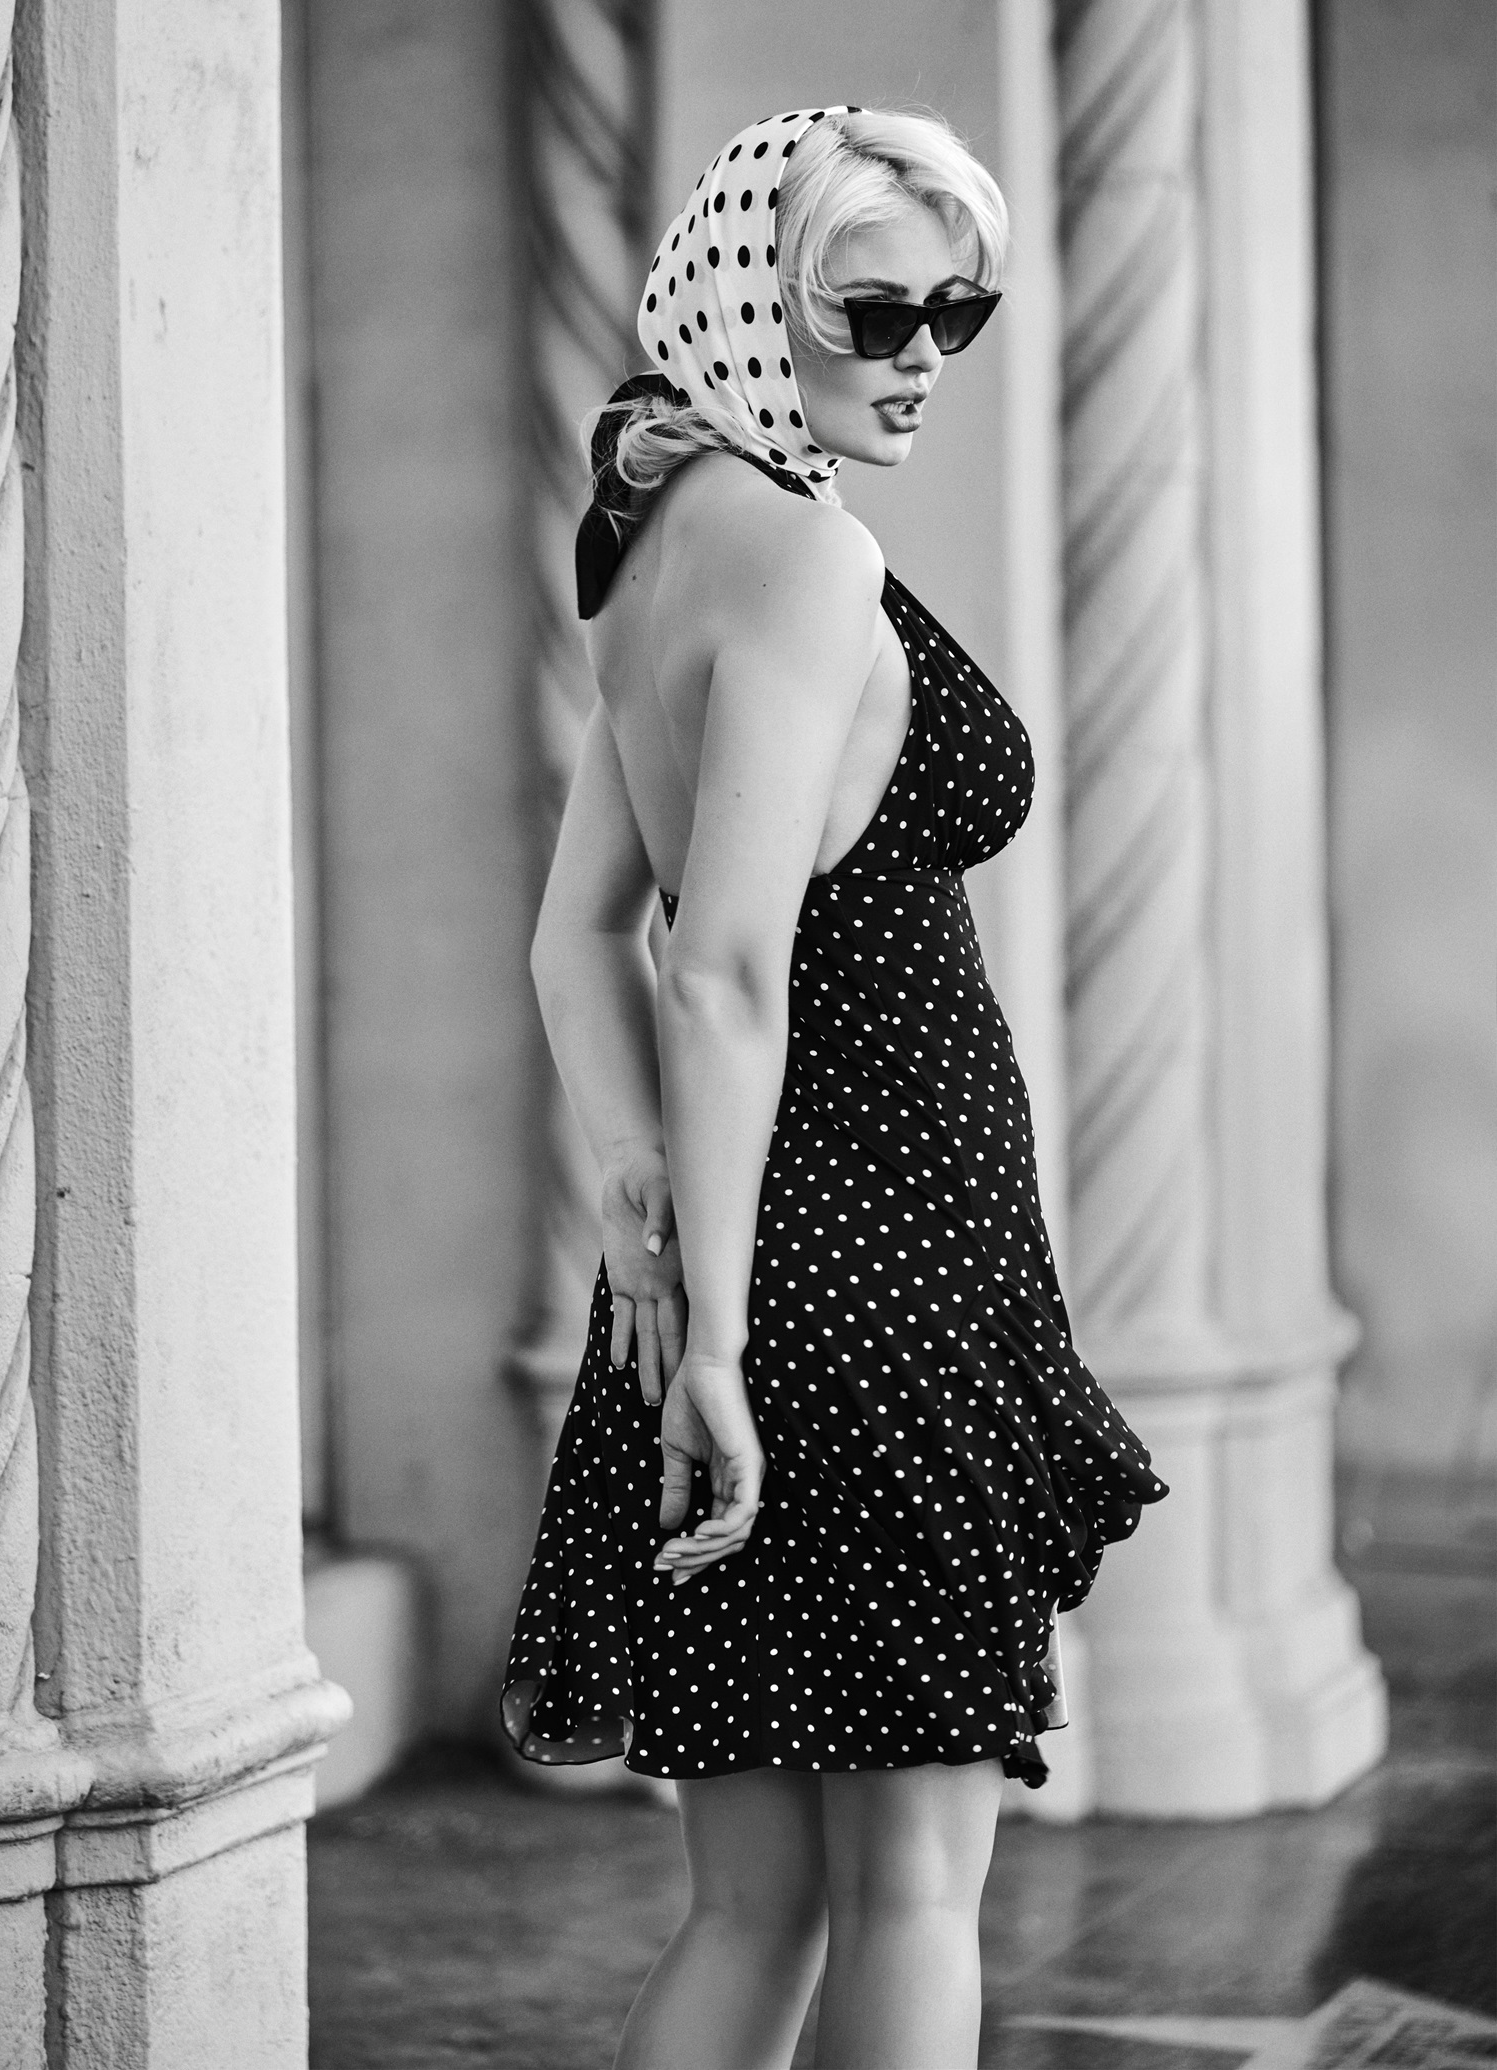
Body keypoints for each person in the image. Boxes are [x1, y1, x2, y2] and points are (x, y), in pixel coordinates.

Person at [503, 105, 1167, 2070]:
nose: (921, 357)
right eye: (873, 313)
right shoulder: (803, 554)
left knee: (756, 1904)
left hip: (767, 1272)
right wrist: (704, 1332)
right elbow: (714, 966)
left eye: (956, 313)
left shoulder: (652, 547)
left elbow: (578, 938)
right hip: (882, 1290)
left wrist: (651, 1217)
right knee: (911, 1899)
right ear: (745, 294)